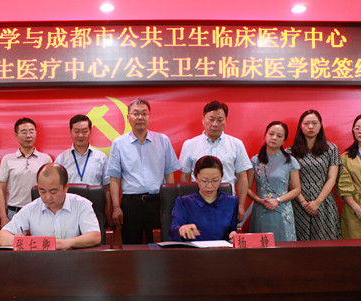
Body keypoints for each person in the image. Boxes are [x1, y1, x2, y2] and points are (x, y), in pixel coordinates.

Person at [107, 98, 180, 244]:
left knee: (160, 246)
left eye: (144, 113)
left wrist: (170, 204)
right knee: (130, 247)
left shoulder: (163, 140)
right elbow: (114, 178)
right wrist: (116, 207)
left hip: (158, 202)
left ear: (149, 117)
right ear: (128, 117)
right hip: (131, 204)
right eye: (135, 113)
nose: (140, 117)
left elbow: (169, 174)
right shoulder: (119, 143)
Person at [0, 163, 101, 249]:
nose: (47, 197)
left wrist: (65, 243)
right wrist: (19, 241)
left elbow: (95, 236)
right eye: (42, 191)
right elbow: (1, 237)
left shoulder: (81, 205)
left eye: (53, 192)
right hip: (41, 264)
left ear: (66, 187)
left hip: (74, 263)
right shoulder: (31, 208)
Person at [179, 101, 252, 222]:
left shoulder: (236, 144)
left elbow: (242, 176)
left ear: (225, 121)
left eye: (220, 120)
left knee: (226, 232)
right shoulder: (189, 144)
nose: (215, 124)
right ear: (203, 119)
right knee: (197, 232)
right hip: (197, 202)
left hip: (227, 201)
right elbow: (185, 176)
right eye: (211, 119)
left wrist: (241, 205)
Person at [287, 110, 342, 240]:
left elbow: (332, 178)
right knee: (299, 243)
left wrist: (317, 202)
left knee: (325, 243)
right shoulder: (289, 152)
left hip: (324, 202)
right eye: (306, 123)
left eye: (314, 123)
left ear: (320, 125)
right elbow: (289, 181)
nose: (310, 126)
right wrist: (303, 203)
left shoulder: (331, 149)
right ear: (300, 125)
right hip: (298, 203)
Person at [247, 121, 301, 242]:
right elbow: (247, 188)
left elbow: (297, 189)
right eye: (271, 134)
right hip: (261, 210)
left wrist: (277, 200)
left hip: (283, 211)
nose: (274, 138)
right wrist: (260, 201)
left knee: (284, 248)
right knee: (261, 246)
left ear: (284, 140)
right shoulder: (255, 160)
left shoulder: (290, 161)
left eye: (279, 136)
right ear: (265, 135)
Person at [0, 117, 52, 229]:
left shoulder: (46, 159)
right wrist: (3, 216)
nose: (28, 135)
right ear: (16, 135)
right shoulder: (8, 159)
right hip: (14, 212)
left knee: (41, 240)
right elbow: (1, 189)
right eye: (24, 132)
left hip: (40, 210)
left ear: (36, 133)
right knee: (15, 240)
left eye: (31, 132)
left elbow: (51, 186)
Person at [169, 155, 238, 242]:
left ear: (221, 178)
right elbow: (172, 232)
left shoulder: (231, 202)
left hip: (221, 250)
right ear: (196, 178)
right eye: (204, 181)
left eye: (215, 180)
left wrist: (233, 235)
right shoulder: (183, 202)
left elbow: (232, 230)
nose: (209, 186)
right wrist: (180, 230)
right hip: (192, 250)